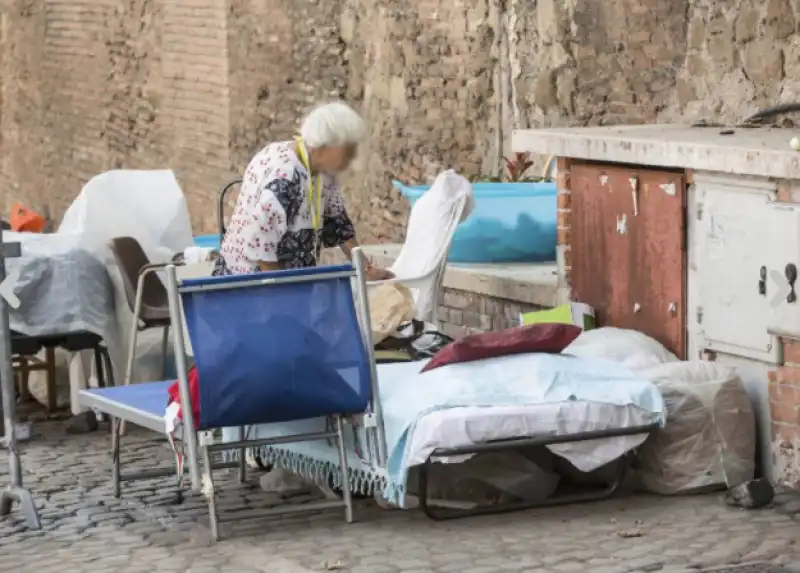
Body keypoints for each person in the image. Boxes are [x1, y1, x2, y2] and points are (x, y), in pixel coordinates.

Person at [215, 101, 393, 281]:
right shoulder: (285, 180)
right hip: (249, 284)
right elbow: (259, 249)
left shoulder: (322, 172)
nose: (352, 157)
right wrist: (288, 296)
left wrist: (366, 269)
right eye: (347, 151)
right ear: (322, 148)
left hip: (291, 278)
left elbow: (339, 226)